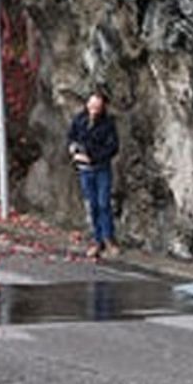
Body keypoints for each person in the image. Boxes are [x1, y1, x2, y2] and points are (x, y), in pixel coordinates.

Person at [68, 90, 120, 258]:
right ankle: (97, 240)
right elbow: (71, 137)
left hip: (101, 167)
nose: (93, 110)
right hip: (84, 169)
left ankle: (108, 238)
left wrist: (93, 157)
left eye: (97, 107)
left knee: (104, 203)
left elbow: (113, 147)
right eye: (91, 106)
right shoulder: (79, 120)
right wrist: (74, 150)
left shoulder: (108, 124)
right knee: (92, 205)